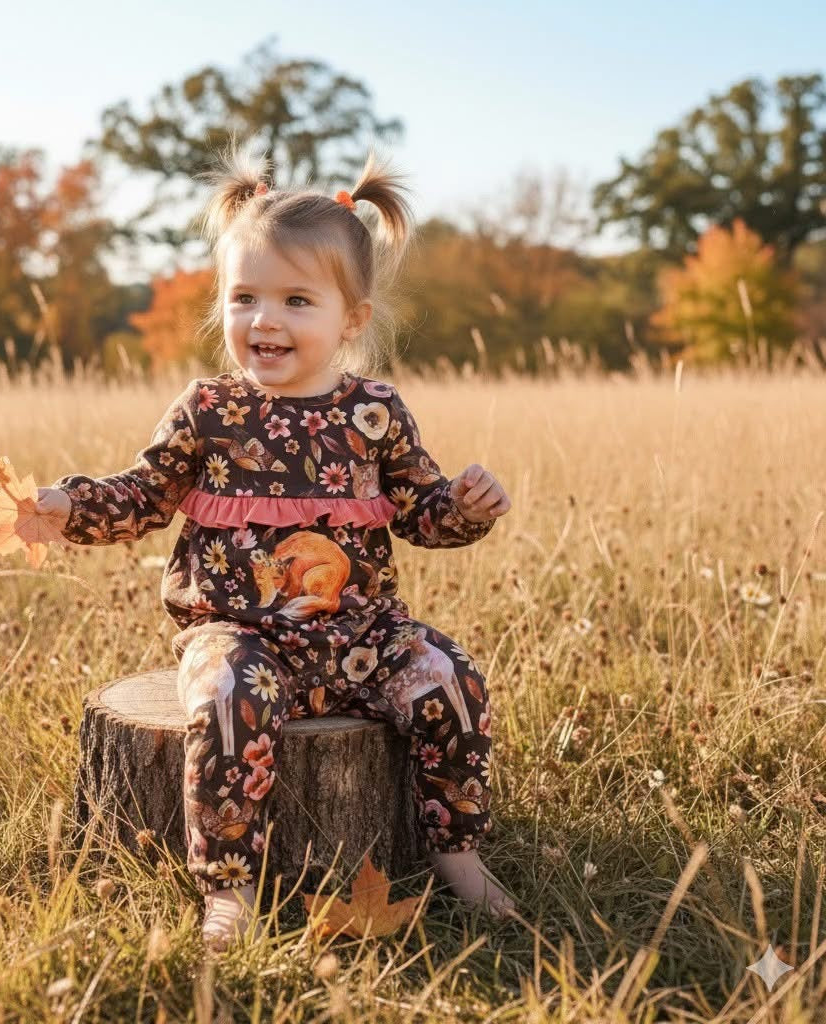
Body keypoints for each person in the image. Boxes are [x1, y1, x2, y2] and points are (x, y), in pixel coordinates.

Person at [36, 141, 516, 951]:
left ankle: (454, 850)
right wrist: (69, 505)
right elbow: (144, 492)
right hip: (240, 631)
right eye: (245, 297)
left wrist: (469, 508)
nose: (266, 320)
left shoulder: (375, 411)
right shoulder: (208, 410)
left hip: (360, 633)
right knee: (226, 700)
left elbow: (422, 513)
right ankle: (228, 886)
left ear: (350, 320)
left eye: (298, 300)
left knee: (451, 678)